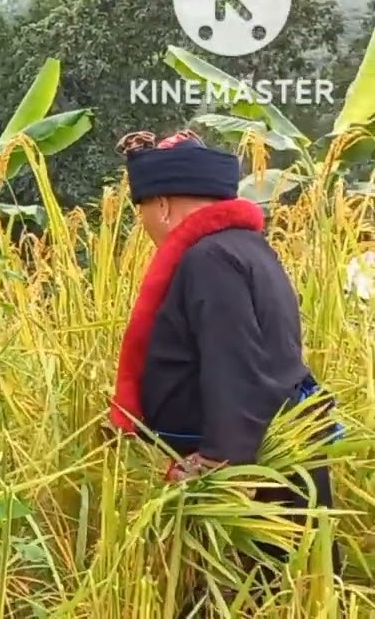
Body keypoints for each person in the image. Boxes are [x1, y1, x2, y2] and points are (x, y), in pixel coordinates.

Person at [108, 129, 340, 584]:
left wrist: (217, 461)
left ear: (163, 206)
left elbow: (231, 360)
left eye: (144, 215)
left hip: (258, 474)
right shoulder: (248, 248)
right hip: (275, 445)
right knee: (289, 591)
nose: (147, 228)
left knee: (253, 591)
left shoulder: (208, 259)